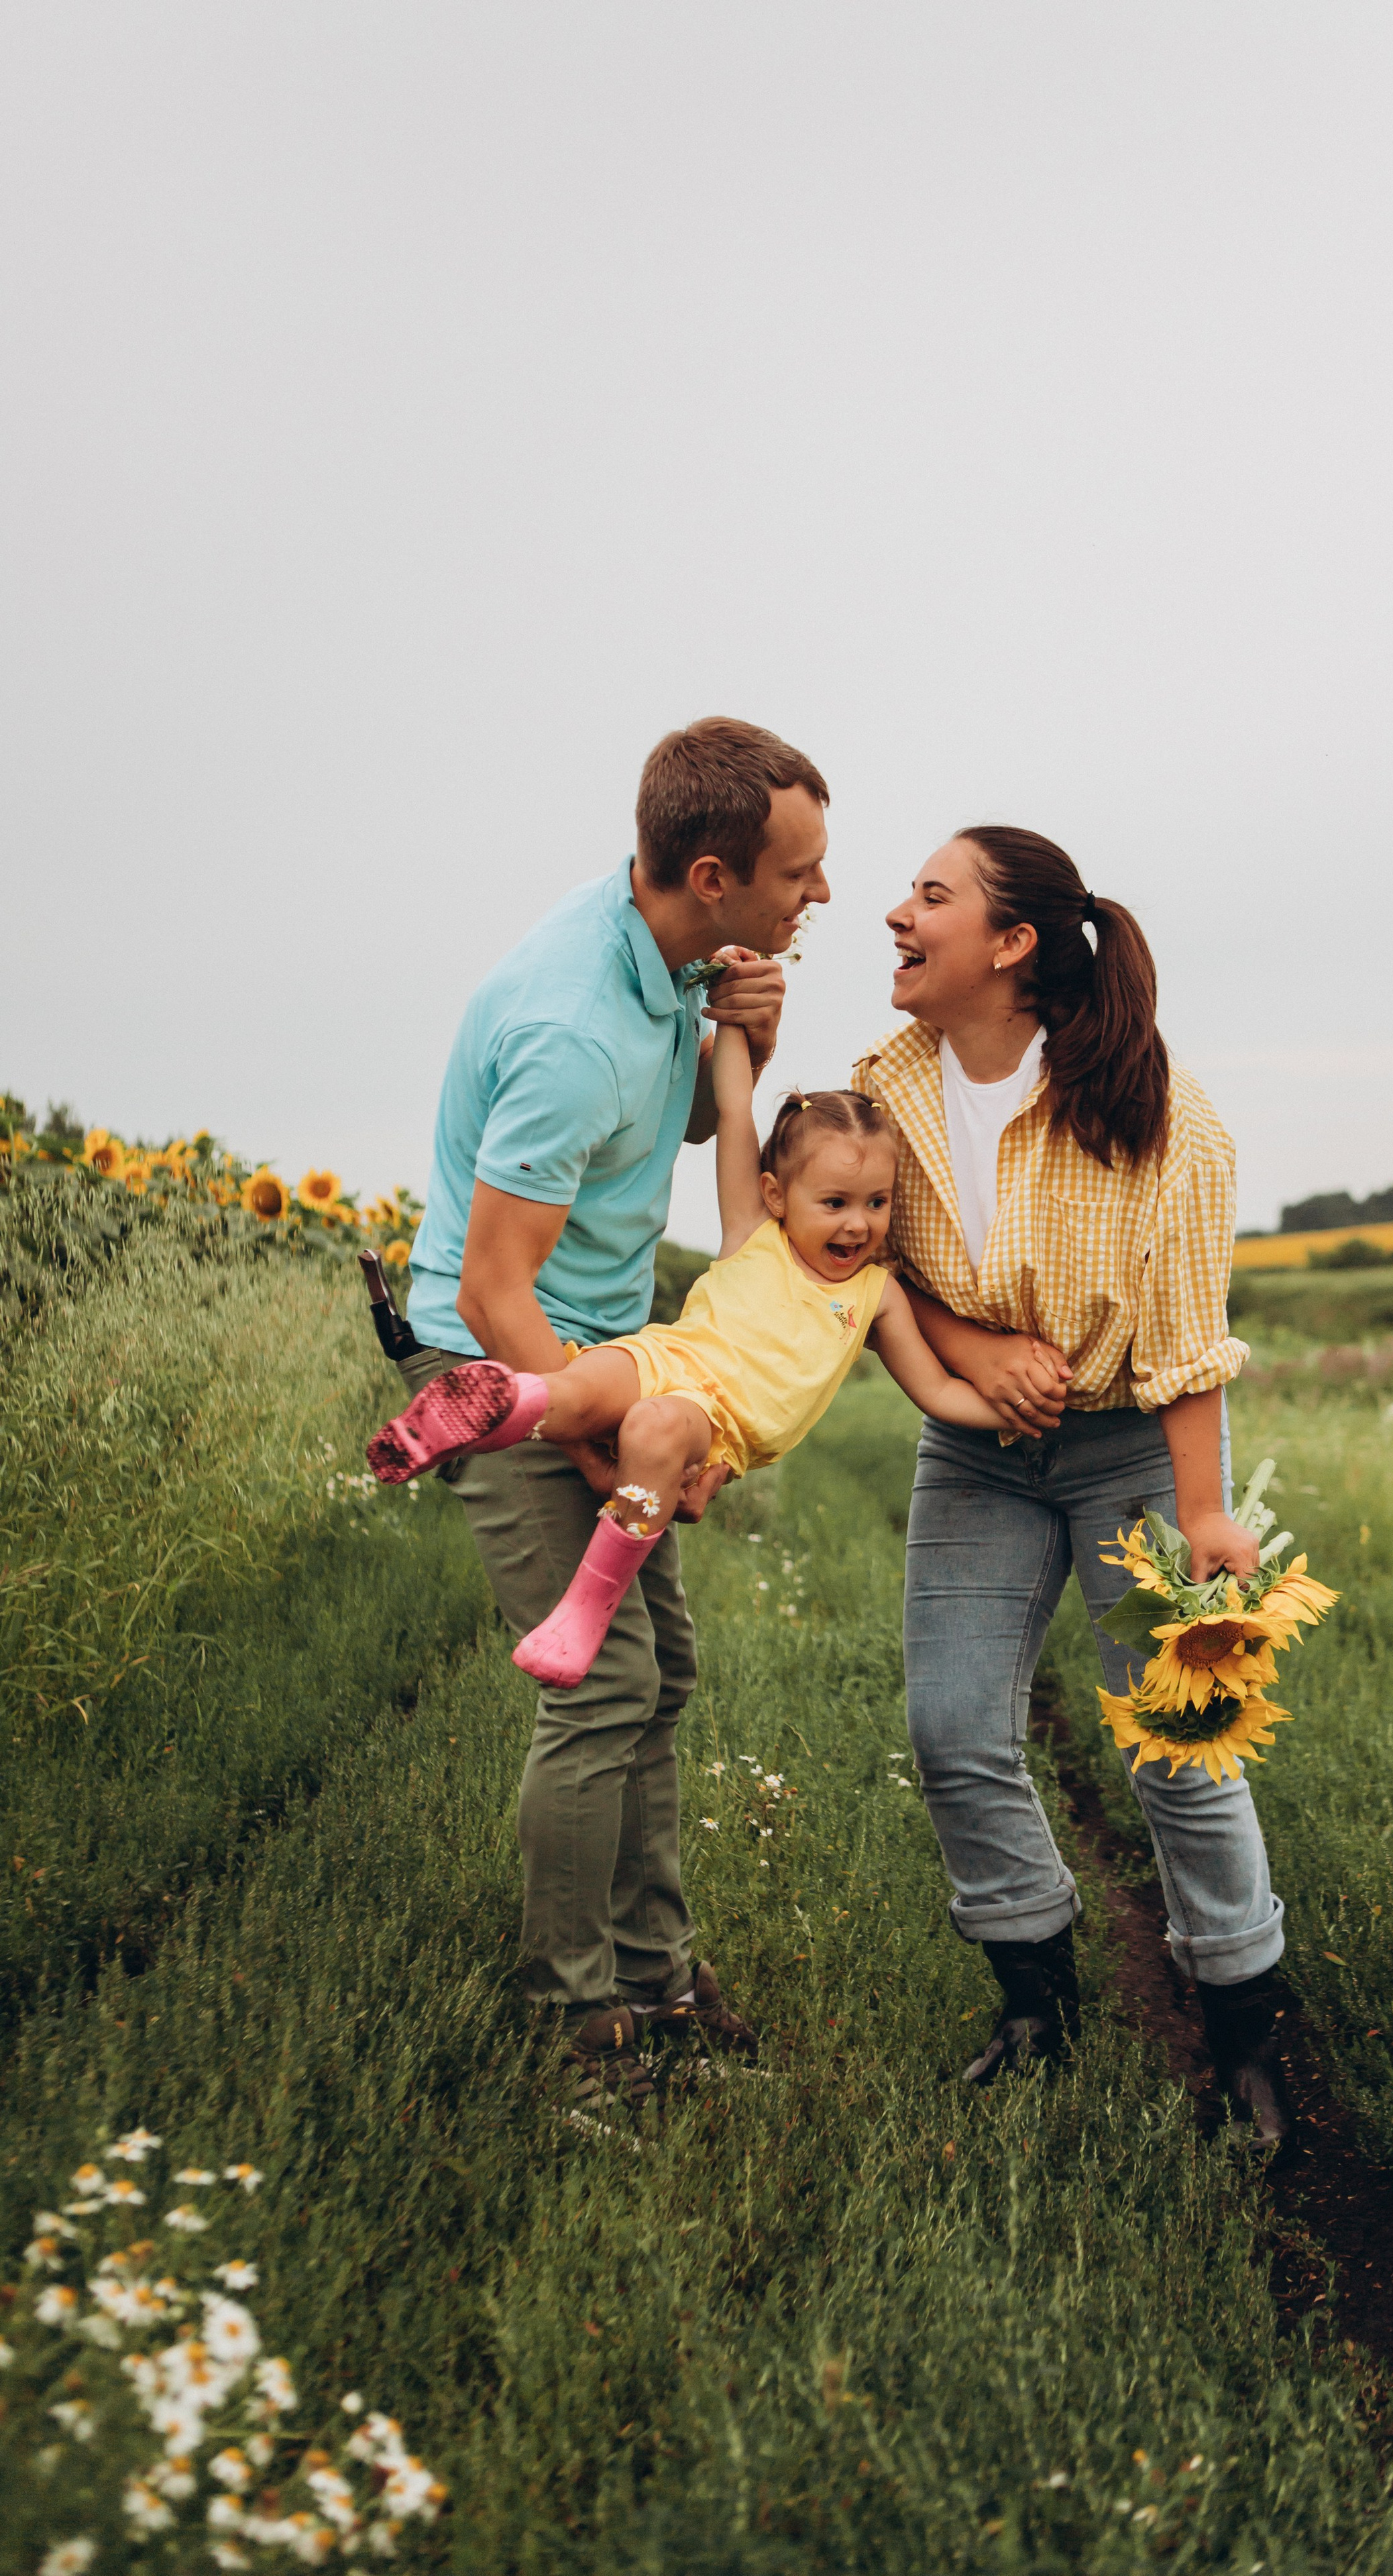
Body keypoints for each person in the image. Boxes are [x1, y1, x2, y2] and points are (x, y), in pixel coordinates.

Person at [396, 717, 828, 2110]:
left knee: (666, 1673)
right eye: (797, 873)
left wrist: (737, 1051)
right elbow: (492, 1275)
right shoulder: (574, 1023)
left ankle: (657, 1975)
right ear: (711, 874)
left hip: (610, 1358)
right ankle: (581, 2031)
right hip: (505, 1359)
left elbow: (654, 1145)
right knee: (602, 1691)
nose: (814, 896)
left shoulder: (671, 951)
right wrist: (594, 1440)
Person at [854, 824, 1295, 2145]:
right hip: (976, 1456)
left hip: (1132, 1454)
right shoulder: (880, 1092)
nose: (894, 915)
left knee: (1183, 1750)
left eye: (927, 896)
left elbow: (1186, 1338)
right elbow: (852, 1262)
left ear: (1010, 943)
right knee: (950, 1730)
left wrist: (1206, 1514)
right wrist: (975, 1351)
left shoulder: (1157, 1111)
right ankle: (1036, 2006)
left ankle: (1239, 2044)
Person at [374, 1022, 1009, 1682]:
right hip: (662, 1356)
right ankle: (488, 1409)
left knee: (653, 1427)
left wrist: (1020, 1413)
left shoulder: (878, 1295)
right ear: (775, 1195)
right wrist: (731, 1017)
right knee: (574, 1390)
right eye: (835, 1202)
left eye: (877, 1203)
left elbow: (935, 1391)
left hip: (713, 1420)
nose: (858, 1222)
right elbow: (734, 1108)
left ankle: (582, 1611)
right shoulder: (753, 1230)